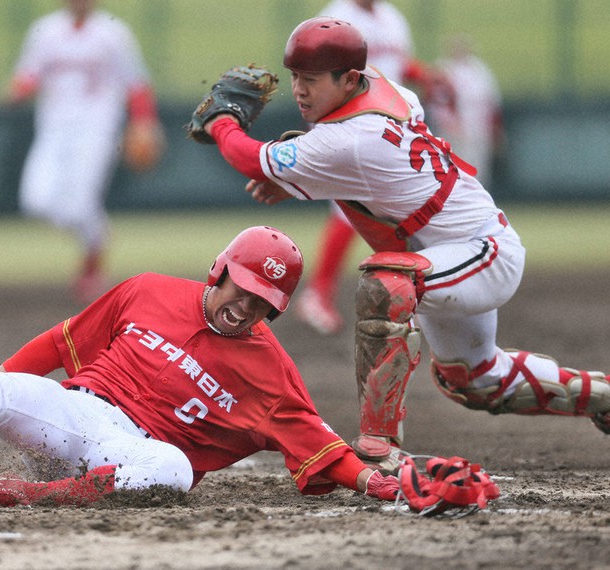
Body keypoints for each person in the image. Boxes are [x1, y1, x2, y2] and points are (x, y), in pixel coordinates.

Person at [194, 18, 610, 472]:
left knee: (386, 284)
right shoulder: (384, 92)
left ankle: (379, 444)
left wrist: (221, 122)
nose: (299, 90)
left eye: (311, 79)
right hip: (446, 251)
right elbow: (366, 174)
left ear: (349, 79)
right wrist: (300, 182)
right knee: (475, 381)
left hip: (483, 251)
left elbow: (250, 158)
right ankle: (602, 396)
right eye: (295, 76)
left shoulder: (351, 139)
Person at [0, 226, 400, 507]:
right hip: (73, 414)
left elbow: (321, 446)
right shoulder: (148, 290)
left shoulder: (270, 373)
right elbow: (59, 343)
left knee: (174, 471)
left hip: (130, 457)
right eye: (242, 288)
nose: (246, 307)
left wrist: (375, 482)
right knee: (2, 390)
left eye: (263, 302)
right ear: (220, 270)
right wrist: (7, 387)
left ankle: (25, 494)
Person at [295, 0, 452, 336]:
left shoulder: (392, 18)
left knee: (395, 212)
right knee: (348, 212)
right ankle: (318, 294)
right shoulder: (335, 19)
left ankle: (412, 294)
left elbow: (394, 66)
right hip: (351, 124)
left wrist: (424, 74)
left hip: (388, 126)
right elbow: (319, 78)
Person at [4, 0, 165, 305]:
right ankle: (98, 232)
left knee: (78, 207)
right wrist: (19, 90)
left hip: (97, 131)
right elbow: (28, 75)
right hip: (52, 130)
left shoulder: (113, 33)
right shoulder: (45, 31)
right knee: (35, 200)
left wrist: (144, 121)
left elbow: (137, 84)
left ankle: (91, 265)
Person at [430, 34, 504, 189]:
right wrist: (449, 123)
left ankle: (479, 199)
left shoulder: (480, 70)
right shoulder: (443, 69)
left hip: (478, 127)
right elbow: (437, 101)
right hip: (452, 129)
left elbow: (491, 101)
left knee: (479, 167)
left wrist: (494, 128)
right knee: (453, 168)